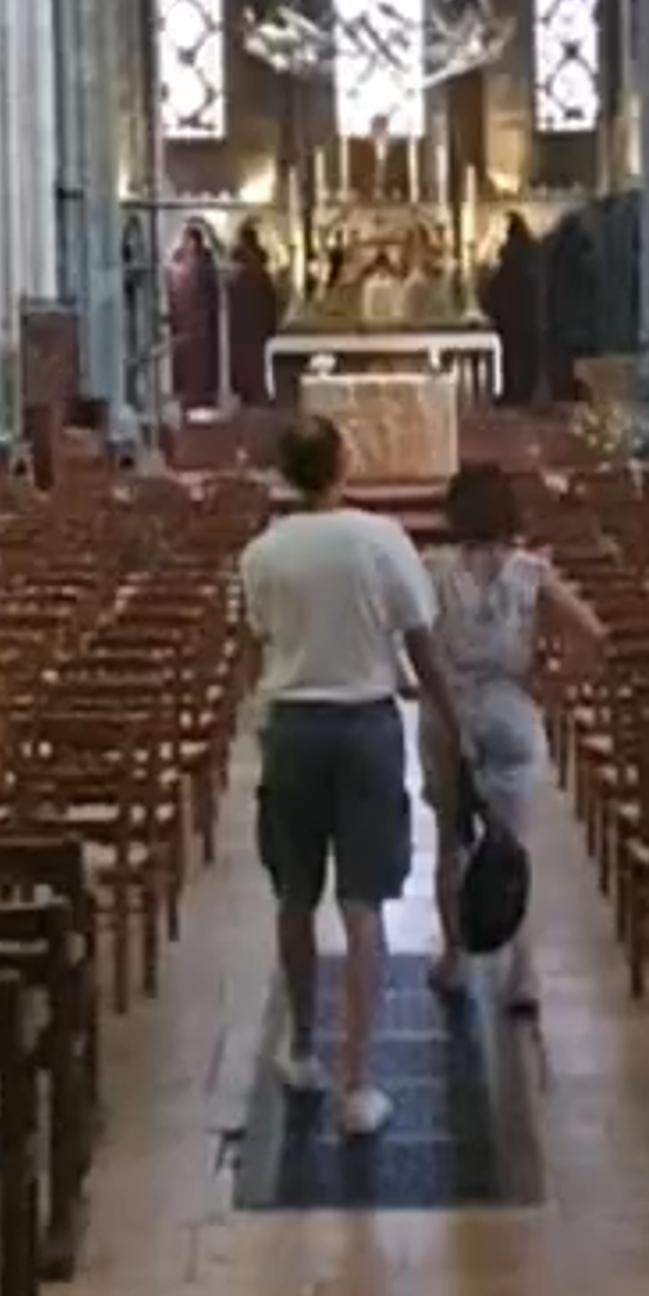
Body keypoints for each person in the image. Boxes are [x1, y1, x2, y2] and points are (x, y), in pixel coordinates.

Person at [239, 413, 457, 1138]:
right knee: (363, 904)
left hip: (294, 725)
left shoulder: (263, 552)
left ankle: (303, 1048)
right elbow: (420, 644)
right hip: (365, 725)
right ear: (342, 464)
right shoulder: (381, 539)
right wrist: (450, 718)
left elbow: (259, 643)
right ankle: (358, 1084)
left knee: (294, 895)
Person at [423, 459, 604, 1020]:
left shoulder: (433, 569)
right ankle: (523, 974)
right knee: (514, 848)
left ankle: (455, 958)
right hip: (511, 706)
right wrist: (554, 686)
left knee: (451, 842)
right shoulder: (530, 570)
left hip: (451, 714)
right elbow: (593, 633)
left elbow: (415, 639)